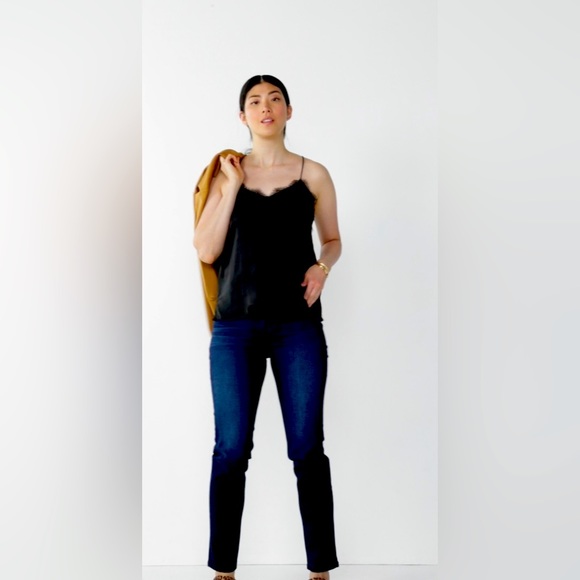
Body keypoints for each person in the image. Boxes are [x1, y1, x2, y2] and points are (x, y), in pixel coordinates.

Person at [194, 75, 342, 580]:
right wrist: (232, 187)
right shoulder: (226, 173)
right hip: (234, 330)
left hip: (297, 326)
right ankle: (223, 570)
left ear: (288, 111)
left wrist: (321, 268)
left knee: (307, 447)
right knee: (231, 450)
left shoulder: (313, 174)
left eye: (275, 99)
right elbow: (206, 249)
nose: (266, 107)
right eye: (255, 101)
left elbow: (333, 240)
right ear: (243, 116)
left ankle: (320, 569)